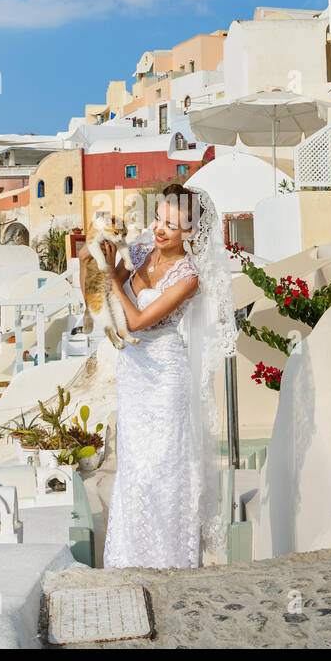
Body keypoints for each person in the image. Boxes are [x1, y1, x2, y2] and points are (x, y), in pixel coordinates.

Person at [79, 182, 236, 568]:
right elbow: (88, 260)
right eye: (158, 218)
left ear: (191, 232)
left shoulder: (189, 276)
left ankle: (171, 563)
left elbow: (136, 320)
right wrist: (98, 247)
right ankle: (129, 561)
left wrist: (109, 274)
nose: (161, 228)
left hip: (165, 378)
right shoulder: (140, 250)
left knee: (162, 471)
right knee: (134, 469)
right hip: (133, 375)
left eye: (173, 224)